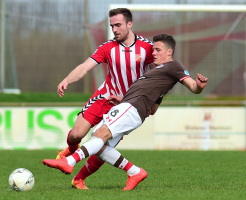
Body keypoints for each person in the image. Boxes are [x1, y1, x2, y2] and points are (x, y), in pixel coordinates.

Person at [43, 33, 208, 190]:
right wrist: (123, 100)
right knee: (100, 147)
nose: (154, 53)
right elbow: (153, 108)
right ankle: (135, 172)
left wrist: (198, 87)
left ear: (169, 52)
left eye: (158, 50)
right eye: (153, 50)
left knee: (100, 134)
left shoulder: (174, 66)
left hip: (132, 109)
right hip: (130, 107)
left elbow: (192, 86)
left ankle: (69, 161)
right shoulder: (158, 73)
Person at [55, 8, 154, 189]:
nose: (114, 29)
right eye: (112, 26)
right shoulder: (107, 47)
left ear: (129, 24)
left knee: (102, 146)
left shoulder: (147, 48)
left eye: (118, 25)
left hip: (126, 105)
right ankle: (71, 149)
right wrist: (67, 80)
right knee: (77, 134)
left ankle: (78, 179)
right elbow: (85, 67)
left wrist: (151, 104)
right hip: (105, 97)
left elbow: (160, 76)